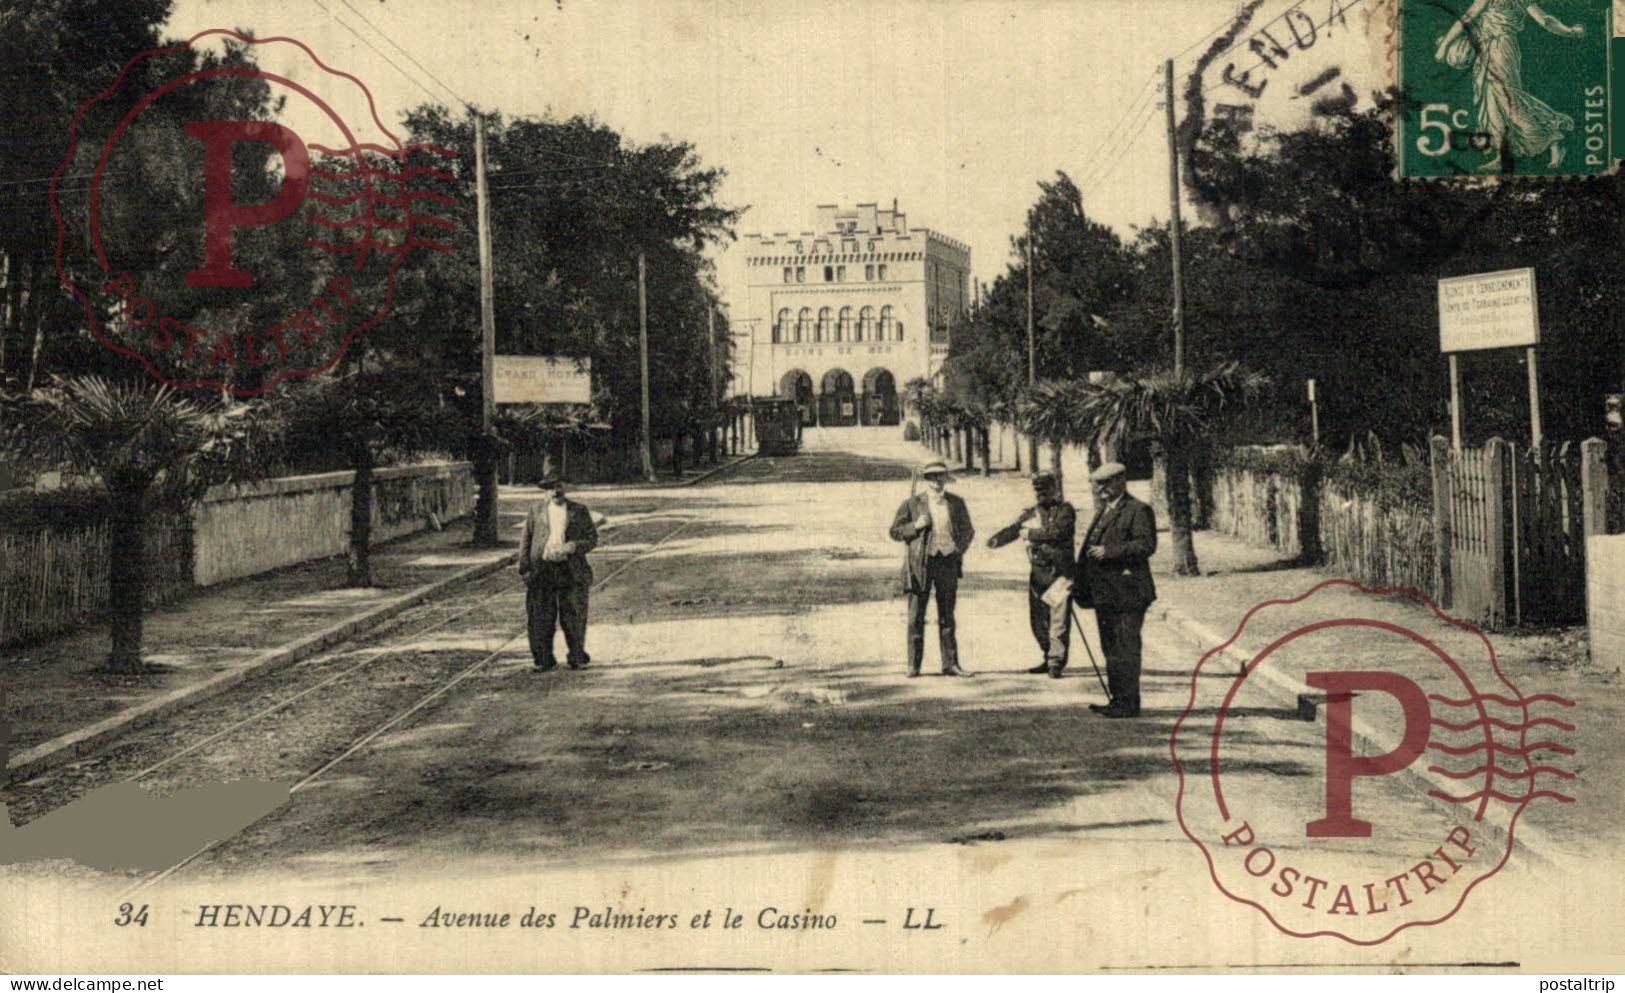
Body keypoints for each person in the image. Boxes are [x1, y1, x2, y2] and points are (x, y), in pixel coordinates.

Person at [1434, 0, 1586, 171]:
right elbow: (1545, 20)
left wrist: (1445, 46)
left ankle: (1553, 138)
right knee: (1494, 103)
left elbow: (1466, 19)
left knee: (1507, 100)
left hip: (1500, 50)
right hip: (1490, 48)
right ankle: (1504, 155)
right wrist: (1571, 31)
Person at [1075, 462, 1156, 717]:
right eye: (1098, 484)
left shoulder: (1138, 509)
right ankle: (1117, 700)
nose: (1101, 489)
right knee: (1111, 648)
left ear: (1121, 481)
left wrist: (1109, 552)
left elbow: (1146, 545)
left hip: (1128, 594)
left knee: (1126, 649)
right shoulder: (1104, 510)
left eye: (1106, 483)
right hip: (1106, 594)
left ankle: (1128, 704)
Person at [889, 460, 975, 678]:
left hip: (947, 563)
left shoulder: (956, 502)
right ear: (926, 479)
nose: (937, 482)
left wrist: (958, 549)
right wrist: (915, 526)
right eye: (933, 477)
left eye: (941, 477)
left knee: (947, 615)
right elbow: (895, 531)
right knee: (916, 616)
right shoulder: (912, 504)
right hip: (921, 564)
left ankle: (950, 664)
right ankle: (913, 666)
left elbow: (968, 531)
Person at [986, 471, 1076, 678]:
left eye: (1045, 489)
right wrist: (997, 540)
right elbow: (1015, 529)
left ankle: (1056, 662)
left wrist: (1031, 534)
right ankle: (1047, 655)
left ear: (1055, 489)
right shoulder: (1031, 512)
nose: (1042, 494)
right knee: (1038, 621)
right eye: (1038, 490)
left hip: (1060, 574)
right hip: (1039, 575)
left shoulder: (1065, 510)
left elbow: (1058, 533)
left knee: (1058, 622)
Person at [518, 474, 599, 672]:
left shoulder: (579, 511)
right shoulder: (535, 511)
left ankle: (577, 657)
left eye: (559, 486)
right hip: (542, 571)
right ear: (545, 491)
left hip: (570, 570)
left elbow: (592, 538)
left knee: (574, 615)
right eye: (550, 487)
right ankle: (543, 660)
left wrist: (573, 546)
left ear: (565, 487)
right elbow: (526, 541)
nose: (556, 491)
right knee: (540, 617)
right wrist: (525, 571)